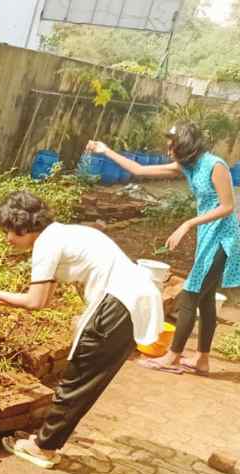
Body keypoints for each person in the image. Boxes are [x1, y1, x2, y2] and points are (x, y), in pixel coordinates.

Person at [0, 191, 163, 468]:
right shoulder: (65, 234)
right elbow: (44, 300)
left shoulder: (46, 244)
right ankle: (47, 440)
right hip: (133, 300)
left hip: (119, 304)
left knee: (79, 379)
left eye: (10, 231)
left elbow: (34, 302)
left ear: (25, 226)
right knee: (86, 378)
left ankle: (43, 448)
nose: (7, 238)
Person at [87, 122, 240, 376]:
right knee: (206, 299)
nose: (169, 152)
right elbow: (139, 169)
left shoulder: (216, 166)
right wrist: (106, 150)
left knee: (191, 294)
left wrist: (187, 223)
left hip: (223, 239)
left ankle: (172, 357)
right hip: (208, 236)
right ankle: (202, 359)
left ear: (186, 146)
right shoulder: (187, 166)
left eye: (173, 147)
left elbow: (227, 207)